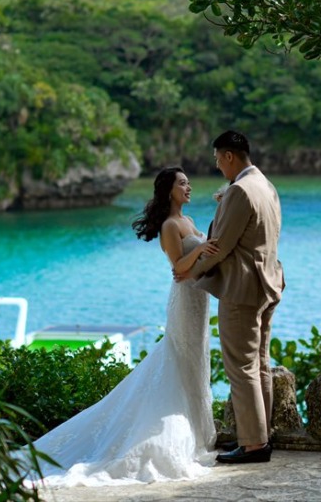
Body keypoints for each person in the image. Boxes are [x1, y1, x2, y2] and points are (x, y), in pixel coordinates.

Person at [26, 167, 219, 487]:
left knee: (196, 361)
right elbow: (178, 268)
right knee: (179, 361)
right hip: (184, 302)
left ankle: (198, 435)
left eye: (188, 183)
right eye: (182, 183)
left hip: (200, 301)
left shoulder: (190, 221)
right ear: (169, 190)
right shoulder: (170, 226)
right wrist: (200, 249)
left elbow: (196, 266)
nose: (189, 187)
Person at [177, 130, 286, 465]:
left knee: (241, 366)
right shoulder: (265, 184)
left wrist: (192, 272)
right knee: (259, 363)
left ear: (228, 156)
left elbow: (221, 246)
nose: (217, 167)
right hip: (269, 281)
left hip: (243, 288)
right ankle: (262, 437)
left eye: (217, 159)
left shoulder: (240, 190)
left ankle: (254, 444)